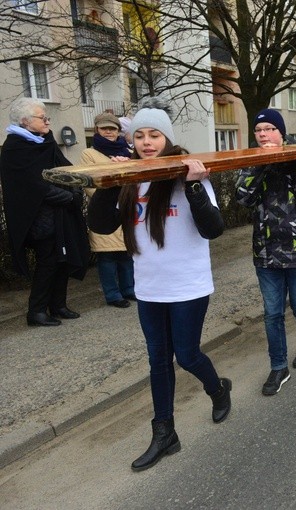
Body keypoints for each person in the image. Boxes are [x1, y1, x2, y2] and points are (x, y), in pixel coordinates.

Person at [87, 97, 231, 471]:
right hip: (149, 287)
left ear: (167, 138)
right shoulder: (131, 179)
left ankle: (218, 389)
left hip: (188, 286)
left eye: (154, 135)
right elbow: (101, 226)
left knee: (187, 355)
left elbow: (213, 229)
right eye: (140, 135)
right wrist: (108, 184)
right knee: (158, 361)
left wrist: (196, 186)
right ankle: (165, 433)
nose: (147, 142)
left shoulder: (187, 175)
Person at [235, 108, 296, 395]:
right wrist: (260, 165)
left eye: (270, 129)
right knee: (272, 314)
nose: (263, 135)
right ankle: (278, 366)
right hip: (266, 252)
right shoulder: (251, 163)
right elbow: (243, 198)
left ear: (281, 133)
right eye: (259, 130)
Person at [0, 97, 89, 327]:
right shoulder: (14, 148)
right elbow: (34, 187)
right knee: (48, 263)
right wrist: (70, 197)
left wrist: (76, 187)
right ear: (25, 121)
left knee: (62, 260)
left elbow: (66, 170)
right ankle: (37, 311)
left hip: (59, 216)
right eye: (43, 117)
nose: (48, 121)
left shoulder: (44, 142)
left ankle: (58, 305)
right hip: (38, 219)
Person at [80, 112, 135, 308]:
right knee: (107, 256)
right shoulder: (89, 153)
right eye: (104, 128)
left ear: (118, 130)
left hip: (125, 209)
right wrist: (109, 198)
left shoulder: (127, 151)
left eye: (112, 128)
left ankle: (129, 288)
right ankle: (113, 294)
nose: (109, 132)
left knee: (126, 254)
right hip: (103, 211)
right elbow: (90, 183)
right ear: (97, 130)